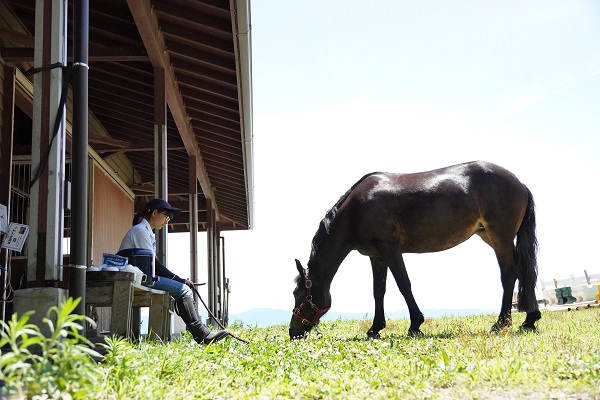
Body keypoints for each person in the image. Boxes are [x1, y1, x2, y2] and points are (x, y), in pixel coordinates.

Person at [118, 198, 229, 345]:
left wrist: (178, 279)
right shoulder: (140, 231)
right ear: (155, 213)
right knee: (183, 290)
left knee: (182, 289)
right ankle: (201, 335)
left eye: (169, 218)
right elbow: (155, 266)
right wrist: (179, 279)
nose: (167, 220)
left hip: (142, 277)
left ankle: (202, 333)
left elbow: (152, 265)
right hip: (138, 278)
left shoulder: (146, 231)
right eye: (166, 216)